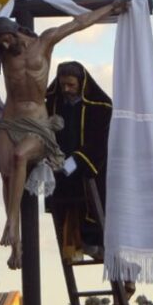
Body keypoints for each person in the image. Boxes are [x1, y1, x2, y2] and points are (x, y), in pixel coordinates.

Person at [0, 0, 129, 269]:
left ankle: (11, 223)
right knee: (6, 175)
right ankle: (15, 246)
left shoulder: (46, 42)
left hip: (37, 124)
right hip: (9, 121)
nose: (4, 47)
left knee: (19, 157)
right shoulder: (2, 50)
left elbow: (79, 23)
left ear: (16, 31)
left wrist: (111, 8)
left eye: (6, 40)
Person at [43, 61, 112, 262]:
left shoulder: (101, 106)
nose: (66, 90)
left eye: (71, 85)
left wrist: (71, 165)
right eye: (63, 85)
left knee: (89, 212)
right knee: (63, 210)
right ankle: (73, 246)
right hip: (57, 169)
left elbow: (98, 143)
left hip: (85, 170)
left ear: (81, 83)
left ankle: (93, 244)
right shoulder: (51, 102)